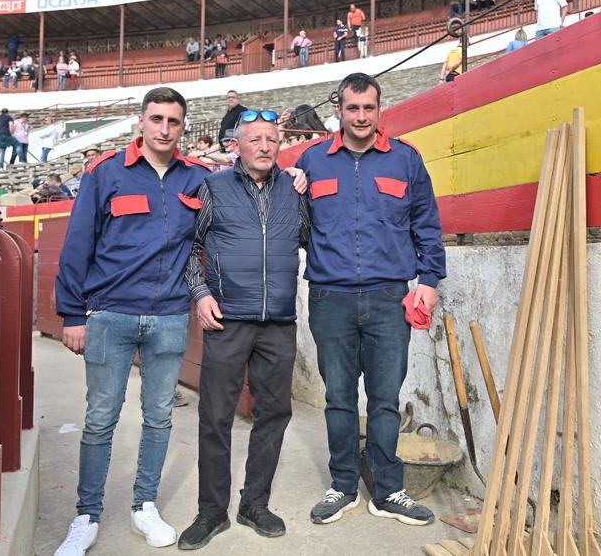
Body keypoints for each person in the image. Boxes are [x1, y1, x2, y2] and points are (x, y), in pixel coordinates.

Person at [52, 87, 214, 556]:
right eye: (156, 119)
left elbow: (247, 185)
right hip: (110, 314)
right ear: (140, 121)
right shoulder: (105, 173)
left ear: (183, 126)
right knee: (100, 418)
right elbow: (78, 244)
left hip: (169, 316)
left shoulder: (198, 178)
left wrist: (293, 175)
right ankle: (87, 515)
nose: (164, 129)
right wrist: (72, 314)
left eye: (173, 121)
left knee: (159, 416)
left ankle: (144, 505)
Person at [297, 73, 446, 527]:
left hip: (388, 299)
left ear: (379, 110)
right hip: (331, 298)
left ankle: (388, 491)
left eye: (369, 108)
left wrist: (429, 280)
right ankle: (343, 485)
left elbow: (427, 223)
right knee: (339, 398)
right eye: (352, 108)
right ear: (338, 111)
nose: (361, 117)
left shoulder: (405, 159)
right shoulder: (312, 161)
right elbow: (297, 227)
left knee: (385, 399)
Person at [178, 110, 310, 549]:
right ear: (237, 145)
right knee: (216, 415)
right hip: (227, 319)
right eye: (255, 139)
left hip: (278, 323)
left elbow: (312, 239)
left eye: (272, 139)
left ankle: (255, 503)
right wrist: (201, 294)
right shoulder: (214, 187)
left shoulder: (294, 189)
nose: (265, 147)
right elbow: (191, 246)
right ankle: (211, 511)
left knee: (274, 413)